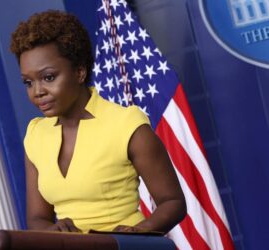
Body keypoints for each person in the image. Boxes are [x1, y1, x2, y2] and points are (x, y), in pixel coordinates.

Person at [10, 10, 186, 234]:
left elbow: (173, 202)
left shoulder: (126, 124)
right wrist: (55, 230)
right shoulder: (35, 135)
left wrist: (139, 232)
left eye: (49, 77)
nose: (38, 92)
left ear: (80, 72)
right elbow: (37, 219)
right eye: (28, 82)